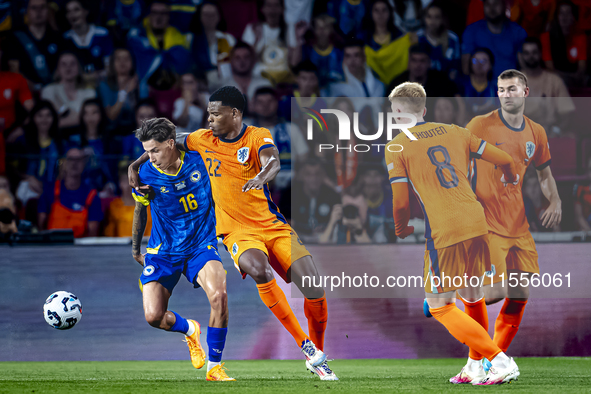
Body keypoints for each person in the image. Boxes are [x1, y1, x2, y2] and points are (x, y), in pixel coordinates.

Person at [129, 86, 337, 380]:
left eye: (215, 113)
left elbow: (273, 160)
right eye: (209, 112)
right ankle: (305, 347)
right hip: (235, 231)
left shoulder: (256, 135)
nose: (209, 118)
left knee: (314, 288)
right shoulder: (201, 139)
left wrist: (262, 175)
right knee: (258, 269)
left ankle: (317, 351)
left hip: (272, 225)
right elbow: (164, 142)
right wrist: (134, 166)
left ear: (234, 114)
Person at [386, 81, 521, 385]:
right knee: (471, 295)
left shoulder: (397, 145)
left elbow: (401, 201)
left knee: (439, 306)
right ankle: (475, 366)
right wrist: (511, 178)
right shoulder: (456, 132)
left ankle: (498, 360)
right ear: (423, 110)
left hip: (444, 229)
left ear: (396, 115)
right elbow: (504, 159)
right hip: (475, 220)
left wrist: (401, 226)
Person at [463, 70, 562, 378]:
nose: (506, 94)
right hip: (488, 223)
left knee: (519, 295)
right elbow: (457, 163)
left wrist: (555, 201)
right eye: (501, 89)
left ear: (525, 92)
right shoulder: (480, 125)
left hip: (518, 225)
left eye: (511, 89)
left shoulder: (536, 132)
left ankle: (486, 362)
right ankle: (447, 294)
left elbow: (544, 175)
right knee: (491, 294)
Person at [130, 117, 234, 381]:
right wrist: (135, 249)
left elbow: (205, 136)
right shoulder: (146, 174)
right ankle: (189, 329)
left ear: (170, 143)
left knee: (219, 295)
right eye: (146, 152)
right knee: (154, 316)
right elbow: (140, 210)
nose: (150, 157)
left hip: (201, 244)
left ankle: (215, 367)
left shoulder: (200, 158)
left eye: (154, 150)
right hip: (163, 250)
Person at [126, 0, 190, 97]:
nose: (158, 17)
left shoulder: (178, 37)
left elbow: (182, 63)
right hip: (143, 87)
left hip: (172, 87)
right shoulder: (137, 34)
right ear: (149, 15)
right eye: (154, 13)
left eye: (163, 13)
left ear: (169, 16)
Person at [37, 147, 103, 237]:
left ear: (84, 164)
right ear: (63, 163)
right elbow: (41, 227)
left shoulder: (91, 195)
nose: (74, 163)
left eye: (78, 160)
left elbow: (92, 233)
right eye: (70, 159)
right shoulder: (50, 190)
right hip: (52, 247)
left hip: (80, 248)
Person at [5, 0, 67, 93]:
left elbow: (65, 65)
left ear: (48, 10)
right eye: (34, 8)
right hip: (25, 92)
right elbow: (14, 71)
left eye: (43, 7)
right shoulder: (14, 38)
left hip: (56, 90)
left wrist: (51, 87)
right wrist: (34, 87)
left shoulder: (58, 38)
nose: (39, 11)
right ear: (26, 11)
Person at [520, 37, 575, 134]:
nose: (531, 56)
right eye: (527, 53)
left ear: (541, 54)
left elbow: (567, 114)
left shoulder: (555, 81)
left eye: (534, 52)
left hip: (551, 134)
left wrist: (556, 131)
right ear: (522, 56)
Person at [462, 0, 527, 80]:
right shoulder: (471, 31)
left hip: (510, 86)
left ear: (504, 6)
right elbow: (466, 68)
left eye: (496, 3)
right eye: (488, 4)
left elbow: (525, 68)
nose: (491, 8)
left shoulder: (518, 32)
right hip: (482, 88)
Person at [14, 100, 61, 206]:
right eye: (40, 115)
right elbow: (13, 168)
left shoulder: (60, 143)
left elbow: (62, 166)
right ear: (33, 118)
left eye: (48, 115)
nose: (44, 120)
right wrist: (28, 178)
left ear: (54, 118)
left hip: (54, 188)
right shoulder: (23, 141)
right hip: (30, 187)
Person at [249, 87, 309, 169]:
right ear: (253, 105)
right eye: (260, 102)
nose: (265, 106)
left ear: (277, 103)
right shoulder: (243, 131)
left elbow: (304, 159)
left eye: (270, 101)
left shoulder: (292, 129)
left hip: (290, 179)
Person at [363, 0, 417, 87]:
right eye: (376, 10)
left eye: (384, 10)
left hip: (398, 83)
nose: (380, 14)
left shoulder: (400, 37)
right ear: (371, 13)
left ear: (390, 13)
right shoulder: (364, 39)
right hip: (374, 84)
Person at [41, 52, 97, 130]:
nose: (68, 68)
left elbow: (91, 119)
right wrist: (79, 119)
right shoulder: (49, 91)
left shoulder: (89, 92)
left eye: (72, 64)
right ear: (58, 69)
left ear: (79, 68)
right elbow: (46, 122)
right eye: (64, 64)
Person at [63, 0, 114, 85]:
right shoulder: (65, 39)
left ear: (85, 12)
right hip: (77, 85)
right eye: (69, 12)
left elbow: (110, 66)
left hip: (103, 82)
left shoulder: (102, 34)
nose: (73, 15)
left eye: (76, 10)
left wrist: (96, 76)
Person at [242, 0, 291, 84]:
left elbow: (294, 62)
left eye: (276, 6)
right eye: (269, 6)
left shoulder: (289, 30)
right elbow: (245, 60)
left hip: (284, 78)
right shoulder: (252, 28)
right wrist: (257, 40)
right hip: (259, 77)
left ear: (282, 9)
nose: (272, 10)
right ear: (262, 9)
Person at [540, 1, 587, 86]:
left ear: (573, 17)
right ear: (556, 17)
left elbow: (582, 67)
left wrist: (577, 76)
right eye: (561, 13)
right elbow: (550, 69)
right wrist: (568, 77)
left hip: (574, 77)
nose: (564, 17)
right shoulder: (546, 37)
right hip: (556, 77)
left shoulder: (580, 36)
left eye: (568, 13)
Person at [294, 14, 344, 88]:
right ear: (314, 30)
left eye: (325, 27)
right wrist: (298, 39)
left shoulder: (339, 51)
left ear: (332, 29)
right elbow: (295, 65)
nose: (322, 31)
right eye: (318, 27)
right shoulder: (308, 49)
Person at [98, 47, 140, 134]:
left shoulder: (139, 83)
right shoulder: (105, 85)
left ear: (132, 62)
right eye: (118, 59)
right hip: (113, 132)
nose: (122, 62)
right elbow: (111, 116)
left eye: (126, 59)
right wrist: (125, 92)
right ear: (112, 63)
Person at [418, 1, 461, 81]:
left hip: (447, 84)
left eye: (437, 17)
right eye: (429, 17)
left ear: (442, 19)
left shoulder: (452, 39)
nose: (432, 21)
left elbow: (456, 67)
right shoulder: (418, 37)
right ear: (424, 18)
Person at [103, 165, 151, 237]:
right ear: (120, 183)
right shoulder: (114, 206)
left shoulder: (149, 208)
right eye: (126, 180)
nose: (130, 185)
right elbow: (109, 236)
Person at [460, 48, 498, 117]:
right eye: (475, 61)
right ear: (470, 64)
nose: (479, 64)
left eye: (483, 61)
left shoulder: (497, 89)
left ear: (491, 65)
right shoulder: (461, 87)